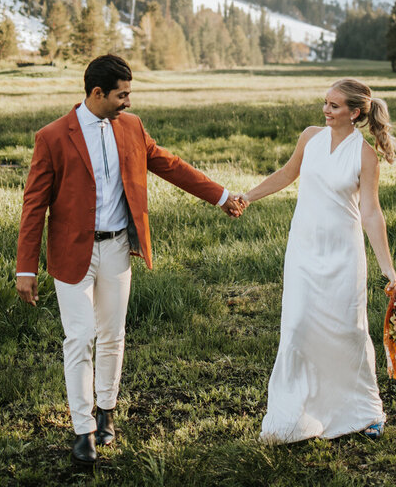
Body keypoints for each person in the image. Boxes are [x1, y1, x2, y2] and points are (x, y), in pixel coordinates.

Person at [15, 54, 247, 465]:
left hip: (118, 247)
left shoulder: (133, 126)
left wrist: (222, 196)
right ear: (97, 93)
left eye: (129, 94)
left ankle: (106, 412)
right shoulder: (52, 136)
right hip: (72, 254)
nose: (128, 101)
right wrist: (26, 269)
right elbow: (34, 205)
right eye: (121, 95)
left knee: (113, 334)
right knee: (79, 337)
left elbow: (170, 165)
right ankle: (82, 428)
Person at [240, 78, 396, 443]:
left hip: (343, 254)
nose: (325, 111)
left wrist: (387, 268)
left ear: (354, 113)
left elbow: (372, 213)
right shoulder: (310, 137)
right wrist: (248, 197)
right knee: (297, 327)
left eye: (334, 106)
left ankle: (364, 411)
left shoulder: (365, 155)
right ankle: (295, 414)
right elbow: (286, 173)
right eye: (325, 103)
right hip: (304, 250)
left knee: (349, 331)